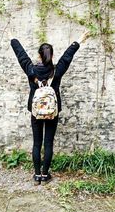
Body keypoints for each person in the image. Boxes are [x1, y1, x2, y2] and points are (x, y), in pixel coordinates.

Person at [10, 32, 90, 185]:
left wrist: (12, 38)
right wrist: (79, 40)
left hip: (36, 112)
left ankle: (36, 176)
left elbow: (21, 54)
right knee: (48, 143)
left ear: (39, 56)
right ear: (52, 56)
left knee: (36, 143)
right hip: (52, 112)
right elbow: (68, 56)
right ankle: (45, 175)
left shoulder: (31, 70)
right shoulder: (57, 70)